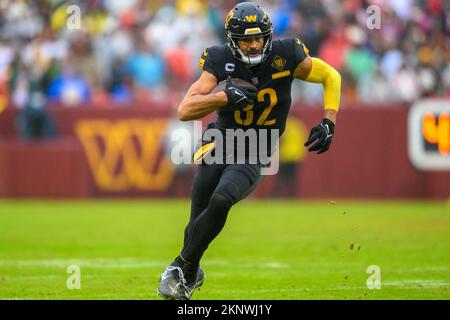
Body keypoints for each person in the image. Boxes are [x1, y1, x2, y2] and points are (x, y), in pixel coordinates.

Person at [157, 2, 341, 300]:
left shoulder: (287, 53)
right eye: (246, 39)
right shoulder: (219, 58)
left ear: (267, 35)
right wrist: (222, 97)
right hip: (221, 139)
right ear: (233, 39)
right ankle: (190, 275)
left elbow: (331, 76)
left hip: (258, 145)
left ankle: (179, 267)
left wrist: (329, 121)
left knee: (221, 198)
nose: (254, 44)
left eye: (258, 37)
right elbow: (184, 110)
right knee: (197, 215)